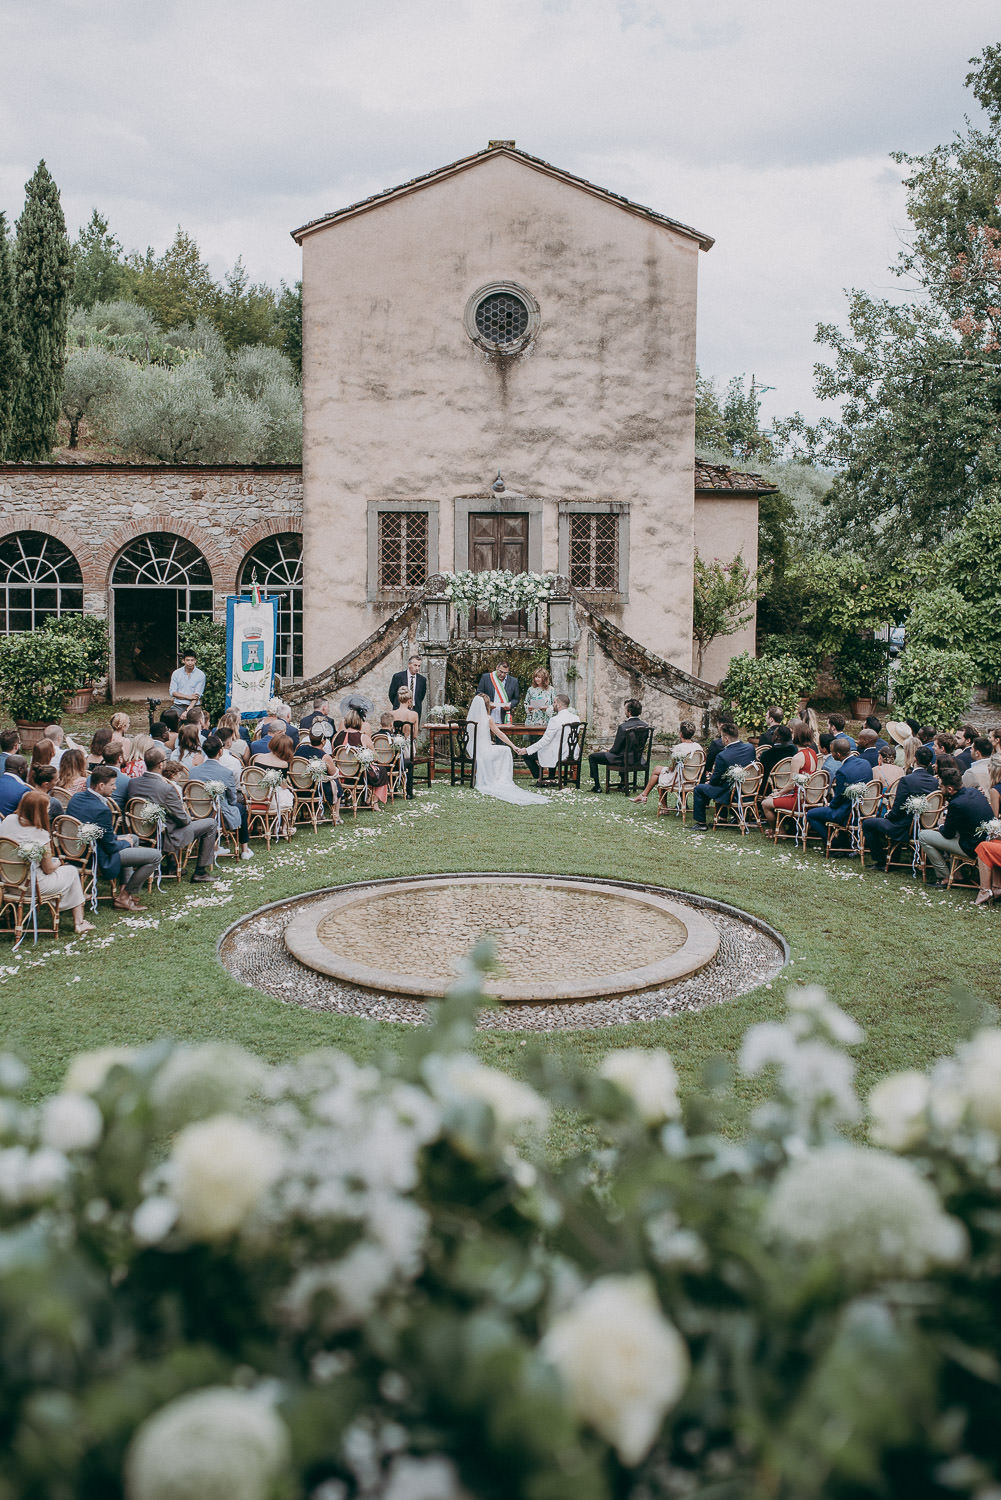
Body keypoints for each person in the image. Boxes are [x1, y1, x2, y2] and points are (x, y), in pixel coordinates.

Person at [0, 789, 95, 934]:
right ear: (38, 812)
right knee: (71, 871)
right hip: (32, 886)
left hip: (7, 882)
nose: (49, 812)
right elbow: (48, 869)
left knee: (65, 872)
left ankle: (70, 912)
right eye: (47, 809)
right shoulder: (39, 834)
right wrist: (59, 863)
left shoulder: (8, 820)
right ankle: (79, 922)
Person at [67, 765, 160, 910]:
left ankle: (124, 888)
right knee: (155, 856)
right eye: (112, 784)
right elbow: (110, 847)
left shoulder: (76, 797)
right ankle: (125, 896)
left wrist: (125, 840)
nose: (115, 788)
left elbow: (103, 835)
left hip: (76, 850)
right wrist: (125, 843)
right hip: (97, 855)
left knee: (133, 838)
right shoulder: (102, 810)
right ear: (101, 785)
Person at [127, 746, 219, 881]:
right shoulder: (166, 788)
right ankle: (200, 872)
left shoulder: (132, 783)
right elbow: (182, 820)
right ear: (160, 764)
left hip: (141, 833)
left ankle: (172, 864)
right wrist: (190, 817)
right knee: (211, 823)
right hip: (166, 837)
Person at [861, 744, 939, 867]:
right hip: (926, 826)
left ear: (915, 760)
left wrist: (888, 816)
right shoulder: (935, 782)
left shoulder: (907, 780)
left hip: (905, 826)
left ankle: (881, 860)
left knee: (867, 824)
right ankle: (894, 856)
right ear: (930, 763)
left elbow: (898, 807)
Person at [465, 693, 547, 806]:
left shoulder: (470, 719)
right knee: (505, 750)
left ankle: (495, 776)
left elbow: (471, 737)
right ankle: (501, 779)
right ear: (487, 705)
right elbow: (500, 734)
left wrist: (487, 742)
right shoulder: (488, 718)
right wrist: (513, 746)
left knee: (498, 749)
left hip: (474, 751)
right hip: (483, 752)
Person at [918, 768, 994, 887]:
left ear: (950, 789)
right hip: (985, 841)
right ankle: (957, 874)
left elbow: (948, 834)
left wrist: (941, 824)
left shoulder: (956, 804)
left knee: (923, 835)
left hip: (972, 847)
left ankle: (944, 876)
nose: (939, 789)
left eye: (940, 787)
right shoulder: (974, 792)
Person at [188, 734, 255, 858]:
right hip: (220, 816)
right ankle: (245, 849)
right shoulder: (225, 772)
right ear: (220, 751)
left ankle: (216, 847)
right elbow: (232, 798)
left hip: (198, 814)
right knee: (241, 807)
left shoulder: (193, 771)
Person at [805, 737, 874, 850]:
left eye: (832, 752)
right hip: (865, 810)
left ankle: (833, 842)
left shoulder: (842, 772)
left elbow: (839, 798)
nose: (831, 754)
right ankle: (842, 840)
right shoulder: (865, 763)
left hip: (846, 812)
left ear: (838, 754)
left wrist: (830, 805)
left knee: (811, 814)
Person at [690, 724, 756, 830]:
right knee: (723, 783)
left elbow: (715, 780)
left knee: (699, 789)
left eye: (721, 737)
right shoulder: (750, 748)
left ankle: (701, 823)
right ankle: (722, 818)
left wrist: (709, 781)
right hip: (749, 791)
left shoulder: (723, 755)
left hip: (731, 794)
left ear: (726, 739)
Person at [761, 721, 819, 828]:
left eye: (792, 733)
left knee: (765, 803)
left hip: (798, 800)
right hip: (811, 798)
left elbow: (791, 784)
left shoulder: (797, 757)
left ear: (797, 736)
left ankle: (779, 831)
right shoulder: (812, 752)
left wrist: (778, 793)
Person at [632, 720, 701, 804]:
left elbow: (672, 768)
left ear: (681, 734)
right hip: (693, 780)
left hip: (680, 781)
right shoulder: (698, 747)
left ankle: (660, 805)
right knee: (658, 769)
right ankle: (644, 795)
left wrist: (668, 769)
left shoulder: (679, 748)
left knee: (659, 774)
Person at [588, 700, 650, 793]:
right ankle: (622, 783)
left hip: (622, 759)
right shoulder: (645, 726)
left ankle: (597, 786)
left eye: (625, 709)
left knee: (592, 757)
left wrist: (608, 750)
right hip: (638, 759)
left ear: (629, 712)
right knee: (623, 753)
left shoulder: (623, 727)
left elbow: (616, 749)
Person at [332, 713, 388, 809]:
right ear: (359, 722)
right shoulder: (363, 737)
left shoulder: (336, 736)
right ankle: (374, 802)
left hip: (340, 775)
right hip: (358, 775)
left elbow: (334, 754)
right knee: (382, 770)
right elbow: (374, 757)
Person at [520, 694, 581, 783]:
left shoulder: (554, 720)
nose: (553, 705)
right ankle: (551, 778)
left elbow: (545, 740)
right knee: (551, 747)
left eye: (554, 702)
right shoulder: (576, 718)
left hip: (558, 754)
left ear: (559, 705)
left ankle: (540, 777)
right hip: (572, 752)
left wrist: (527, 750)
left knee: (527, 755)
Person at [294, 723, 342, 822]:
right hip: (315, 790)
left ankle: (318, 812)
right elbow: (333, 774)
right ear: (323, 741)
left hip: (298, 787)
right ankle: (336, 814)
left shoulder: (300, 749)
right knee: (336, 783)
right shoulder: (325, 756)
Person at [251, 732, 297, 832]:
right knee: (289, 794)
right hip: (271, 799)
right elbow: (283, 785)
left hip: (255, 795)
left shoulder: (257, 758)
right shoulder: (283, 764)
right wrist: (289, 787)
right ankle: (284, 827)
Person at [393, 687, 420, 798]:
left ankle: (393, 788)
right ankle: (409, 792)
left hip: (394, 749)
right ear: (409, 700)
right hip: (408, 749)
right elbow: (414, 735)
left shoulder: (392, 714)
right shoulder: (414, 715)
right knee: (410, 763)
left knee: (394, 760)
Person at [757, 723, 796, 789]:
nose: (771, 736)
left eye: (773, 734)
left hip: (770, 787)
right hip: (789, 784)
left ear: (777, 737)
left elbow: (762, 773)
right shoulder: (794, 750)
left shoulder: (767, 754)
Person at [389, 656, 428, 721]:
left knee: (414, 729)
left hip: (415, 709)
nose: (417, 668)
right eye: (415, 665)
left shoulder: (422, 679)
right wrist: (398, 705)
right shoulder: (398, 677)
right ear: (409, 664)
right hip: (400, 709)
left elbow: (421, 696)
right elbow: (392, 694)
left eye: (419, 666)